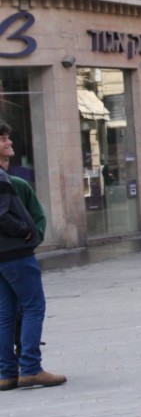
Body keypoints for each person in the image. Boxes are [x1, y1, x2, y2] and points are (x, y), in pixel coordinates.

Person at [0, 122, 64, 391]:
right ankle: (31, 368)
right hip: (14, 253)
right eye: (2, 138)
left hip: (3, 257)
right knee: (33, 307)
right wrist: (26, 231)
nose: (8, 141)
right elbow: (2, 215)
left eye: (7, 136)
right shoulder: (3, 180)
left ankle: (6, 373)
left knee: (5, 313)